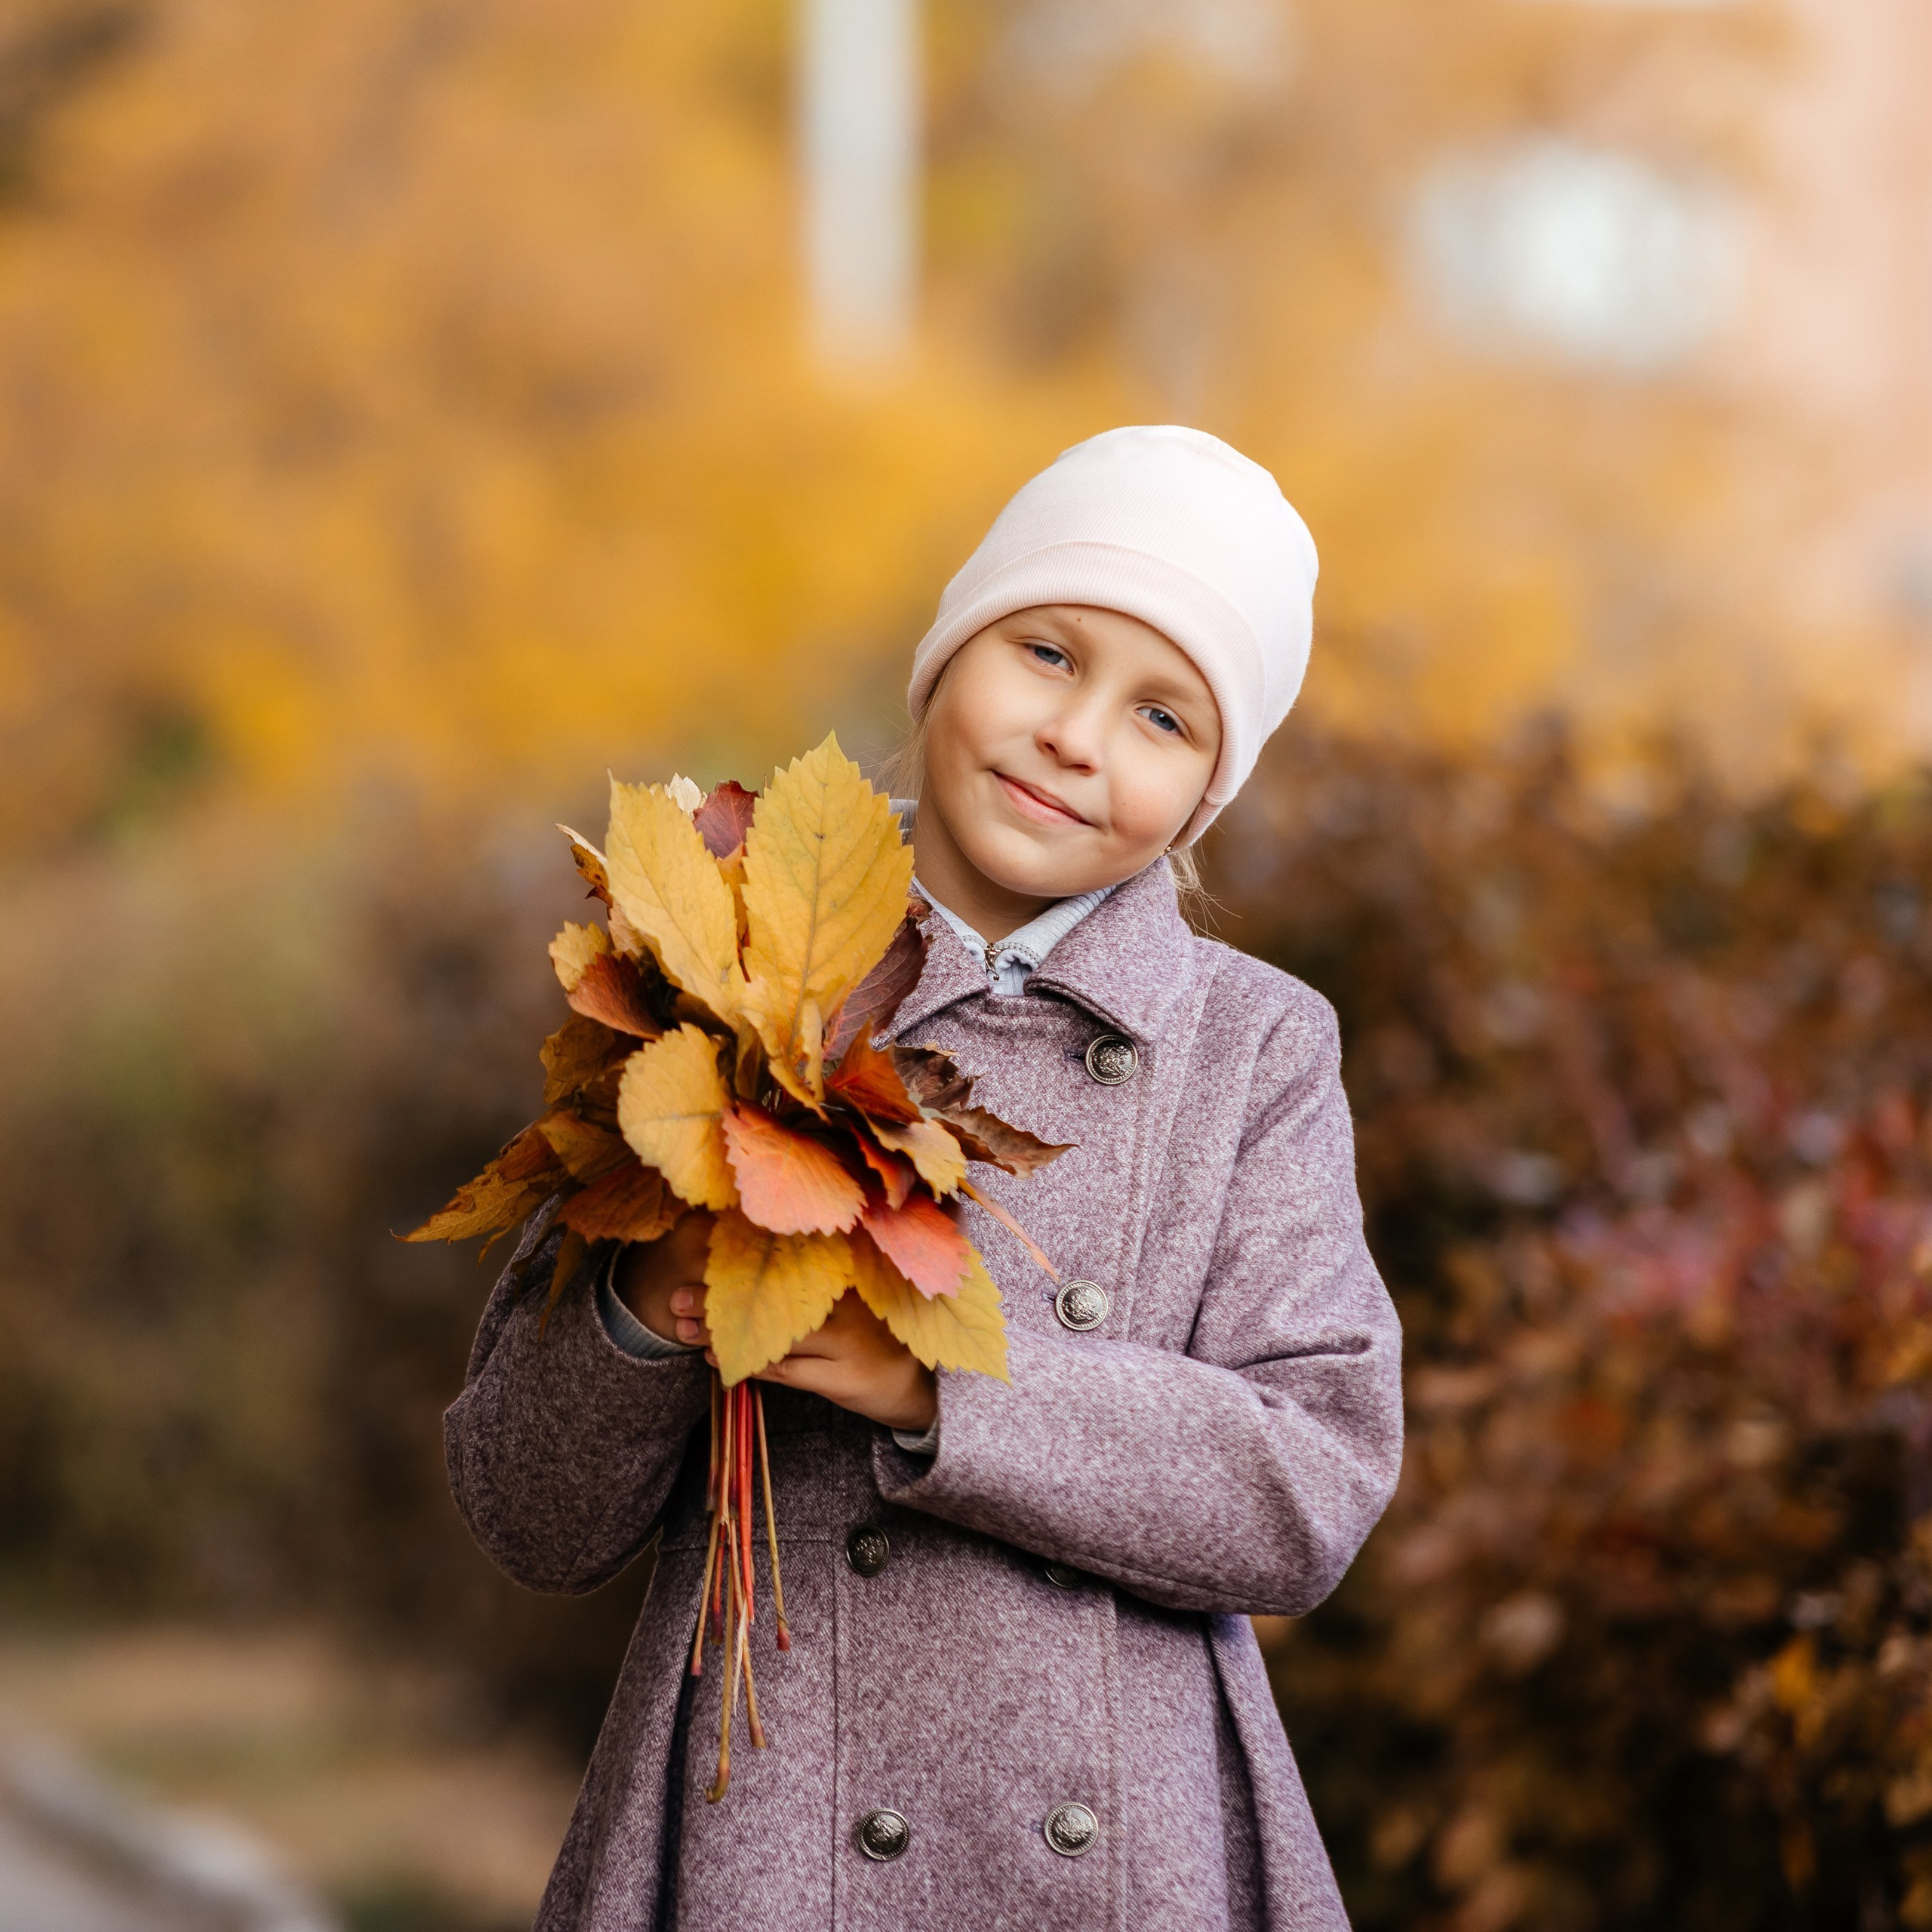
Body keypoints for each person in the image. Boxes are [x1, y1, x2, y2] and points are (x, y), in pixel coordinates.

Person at [444, 425, 1404, 1930]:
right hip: (769, 1827)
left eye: (1159, 713)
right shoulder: (726, 959)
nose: (1074, 734)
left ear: (1210, 784)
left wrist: (942, 1386)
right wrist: (645, 1300)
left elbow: (1308, 1480)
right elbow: (525, 1509)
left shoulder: (1252, 1047)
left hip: (1125, 1853)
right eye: (1043, 648)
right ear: (948, 655)